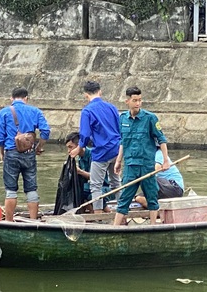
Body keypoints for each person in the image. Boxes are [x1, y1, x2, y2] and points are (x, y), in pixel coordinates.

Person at [112, 86, 171, 225]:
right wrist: (118, 161)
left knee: (151, 196)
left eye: (139, 100)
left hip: (146, 166)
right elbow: (123, 142)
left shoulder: (150, 118)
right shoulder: (122, 119)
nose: (138, 103)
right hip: (130, 166)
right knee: (124, 197)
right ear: (127, 101)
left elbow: (161, 139)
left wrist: (165, 160)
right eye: (134, 100)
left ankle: (152, 226)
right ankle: (115, 227)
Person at [0, 87, 50, 221]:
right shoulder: (35, 111)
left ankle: (8, 221)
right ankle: (33, 221)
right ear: (26, 98)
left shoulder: (5, 112)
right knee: (31, 189)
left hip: (11, 153)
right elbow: (45, 131)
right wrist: (38, 147)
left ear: (11, 99)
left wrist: (2, 154)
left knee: (11, 190)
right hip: (29, 154)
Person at [68, 81, 121, 213]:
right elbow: (119, 128)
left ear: (86, 95)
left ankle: (97, 214)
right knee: (116, 183)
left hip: (101, 152)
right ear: (100, 92)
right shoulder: (112, 108)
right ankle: (122, 210)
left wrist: (79, 148)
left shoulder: (87, 111)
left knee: (95, 185)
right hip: (116, 150)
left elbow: (84, 135)